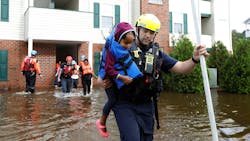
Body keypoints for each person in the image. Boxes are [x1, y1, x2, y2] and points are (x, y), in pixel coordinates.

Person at [101, 14, 209, 141]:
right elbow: (102, 73)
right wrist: (103, 81)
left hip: (146, 104)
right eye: (145, 31)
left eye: (152, 33)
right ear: (137, 30)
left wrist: (194, 59)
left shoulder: (158, 54)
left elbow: (181, 67)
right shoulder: (122, 48)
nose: (148, 35)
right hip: (124, 103)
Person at [96, 22, 143, 138]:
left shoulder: (123, 44)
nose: (128, 46)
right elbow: (108, 68)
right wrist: (121, 77)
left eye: (130, 43)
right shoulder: (112, 50)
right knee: (113, 100)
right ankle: (101, 122)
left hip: (119, 79)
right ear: (118, 39)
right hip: (108, 76)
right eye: (125, 43)